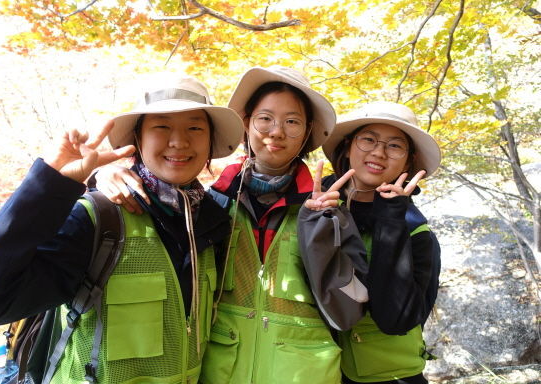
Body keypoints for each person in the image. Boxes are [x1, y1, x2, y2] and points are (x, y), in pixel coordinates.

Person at [0, 73, 245, 383]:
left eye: (195, 127)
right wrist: (51, 184)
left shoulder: (212, 223)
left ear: (210, 141)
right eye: (161, 126)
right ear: (137, 139)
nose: (179, 141)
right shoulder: (99, 222)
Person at [94, 66, 369, 384]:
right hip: (220, 373)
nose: (276, 132)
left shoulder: (332, 212)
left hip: (304, 375)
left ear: (307, 133)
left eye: (292, 122)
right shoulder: (211, 203)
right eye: (265, 118)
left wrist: (318, 231)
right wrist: (102, 174)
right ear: (246, 124)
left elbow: (350, 312)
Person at [304, 101, 442, 384]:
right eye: (368, 139)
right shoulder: (308, 204)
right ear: (347, 146)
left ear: (408, 162)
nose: (379, 152)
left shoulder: (415, 229)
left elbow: (398, 319)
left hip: (387, 374)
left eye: (394, 146)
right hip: (308, 368)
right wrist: (313, 219)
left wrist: (391, 220)